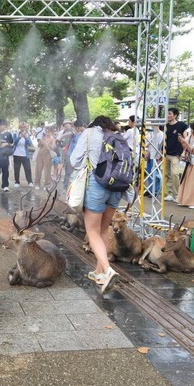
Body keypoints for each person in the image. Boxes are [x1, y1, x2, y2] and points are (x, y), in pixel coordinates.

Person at [70, 115, 122, 294]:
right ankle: (99, 272)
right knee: (103, 230)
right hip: (117, 186)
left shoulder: (90, 133)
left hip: (97, 184)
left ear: (94, 124)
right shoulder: (118, 135)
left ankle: (108, 271)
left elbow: (74, 160)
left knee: (92, 231)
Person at [176, 121, 194, 208]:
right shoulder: (191, 136)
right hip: (190, 162)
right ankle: (184, 200)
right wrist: (181, 140)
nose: (192, 132)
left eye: (193, 130)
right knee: (187, 182)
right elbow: (185, 145)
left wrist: (185, 143)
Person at [164, 107, 188, 202]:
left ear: (175, 115)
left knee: (174, 173)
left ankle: (177, 195)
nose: (168, 115)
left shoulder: (181, 125)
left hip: (176, 154)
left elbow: (186, 139)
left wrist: (184, 151)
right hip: (166, 153)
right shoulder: (166, 126)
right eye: (167, 113)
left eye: (170, 113)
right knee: (167, 174)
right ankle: (170, 193)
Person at [12, 122, 34, 187]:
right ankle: (17, 182)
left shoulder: (27, 134)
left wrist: (26, 138)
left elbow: (30, 144)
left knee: (27, 169)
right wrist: (19, 137)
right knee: (16, 169)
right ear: (19, 128)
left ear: (25, 128)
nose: (22, 128)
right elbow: (14, 143)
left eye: (24, 127)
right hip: (16, 154)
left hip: (25, 155)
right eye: (21, 127)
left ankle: (30, 181)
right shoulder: (15, 134)